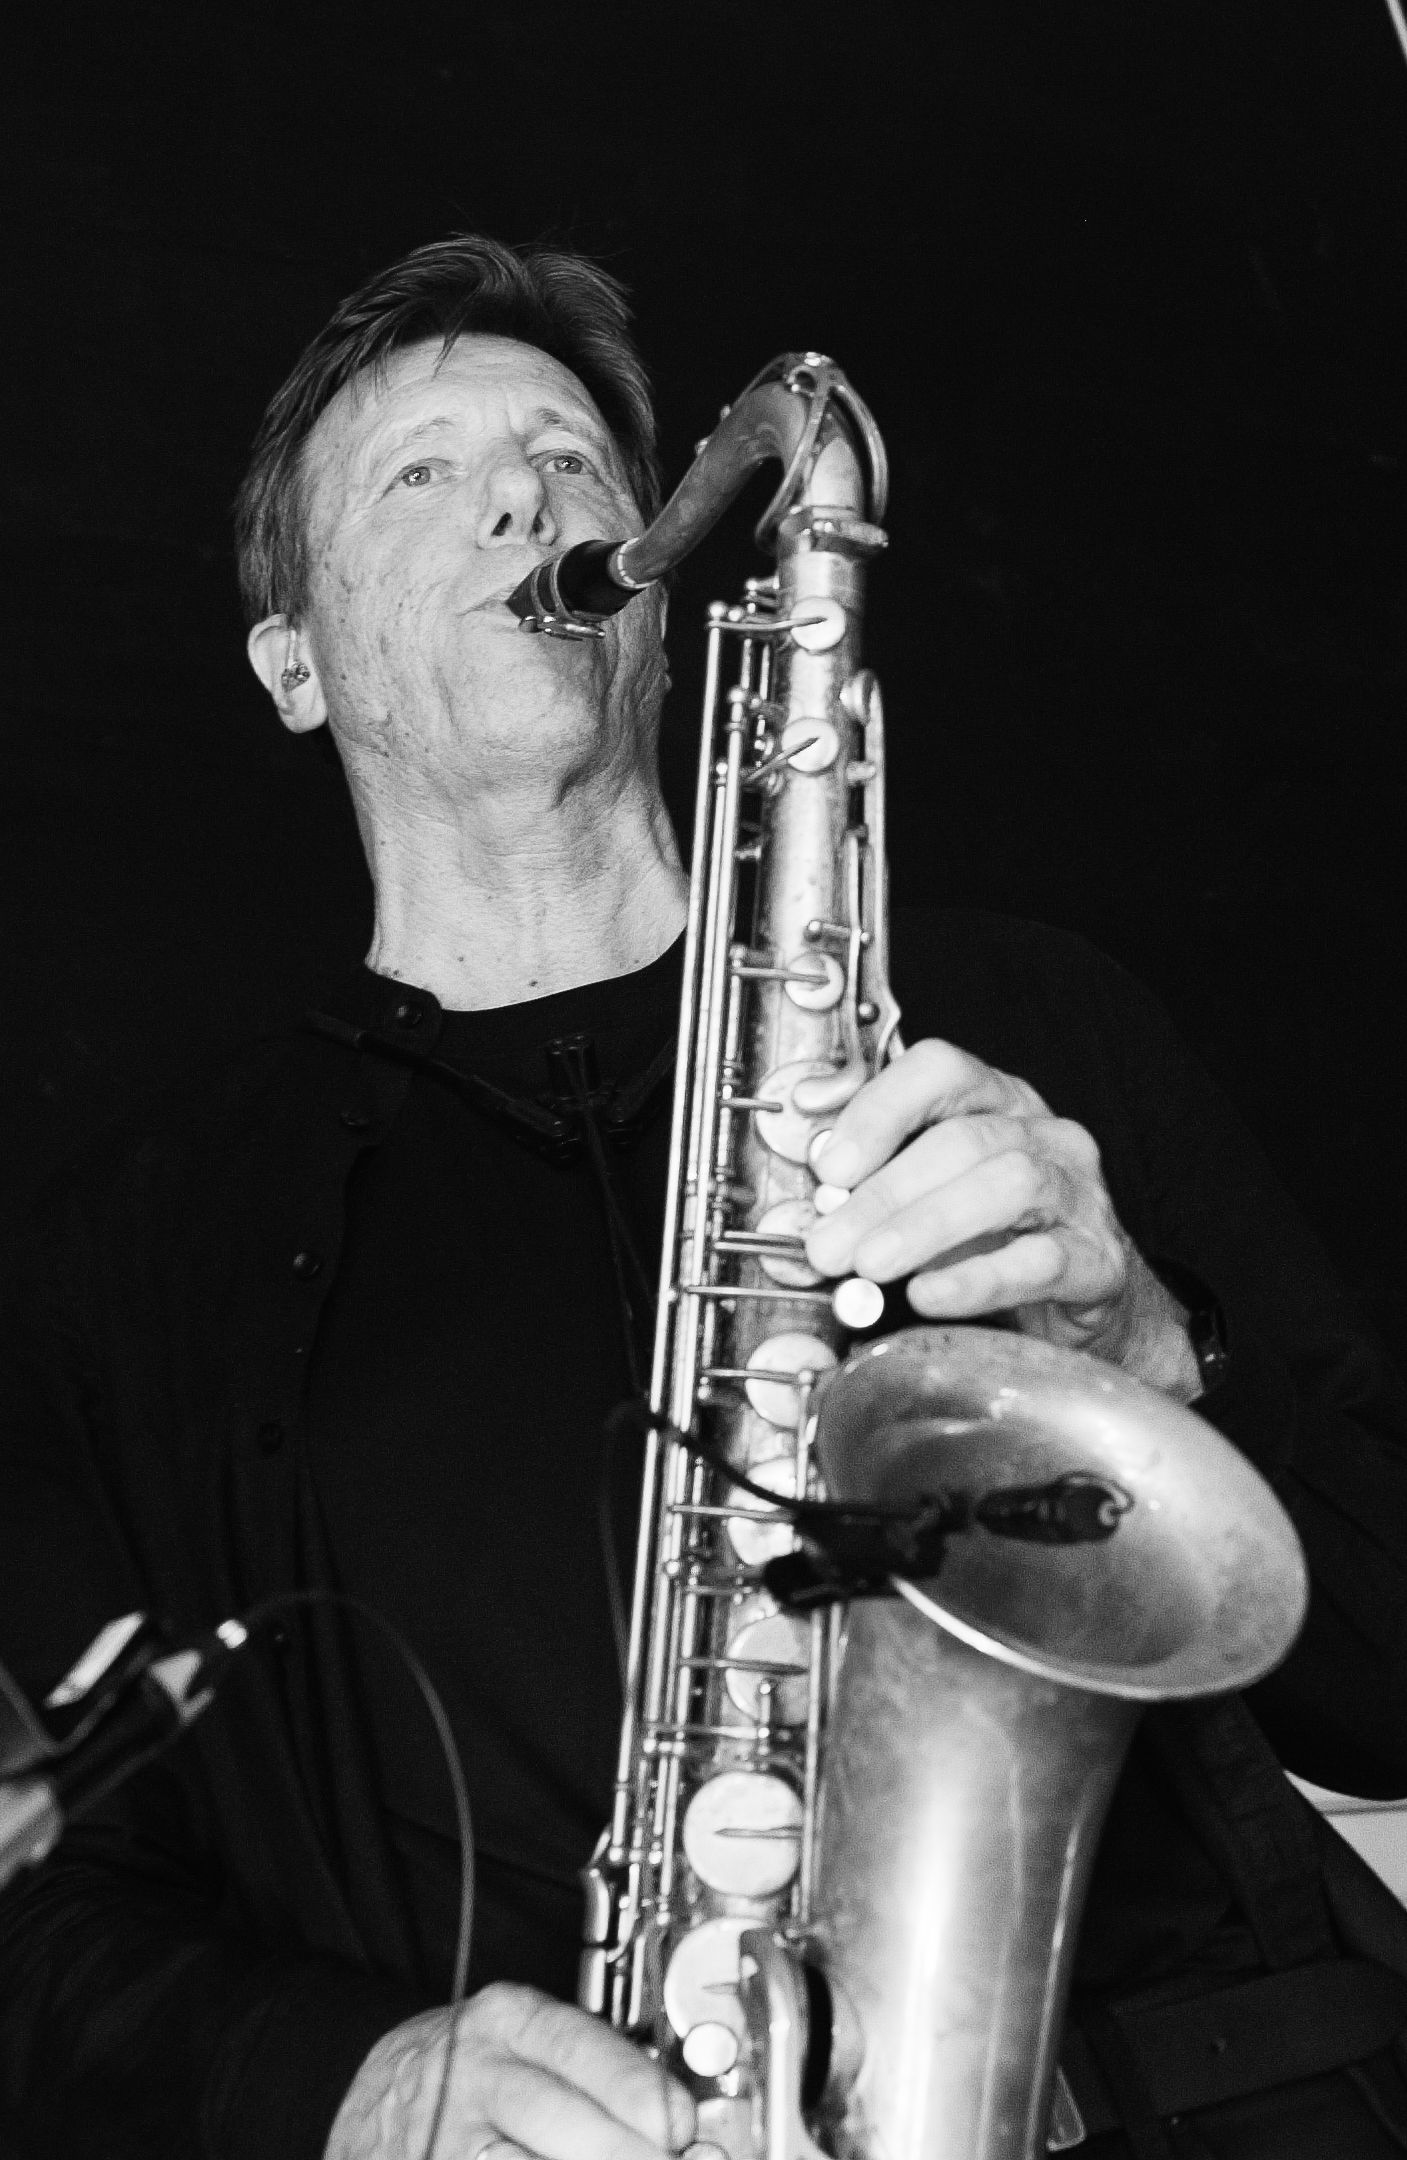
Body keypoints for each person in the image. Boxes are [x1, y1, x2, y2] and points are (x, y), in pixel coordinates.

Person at [2, 234, 1407, 2160]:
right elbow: (37, 1914)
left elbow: (1391, 1691)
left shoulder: (1022, 1025)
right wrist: (352, 2075)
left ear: (667, 608)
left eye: (576, 459)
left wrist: (1136, 1334)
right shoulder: (126, 1261)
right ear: (292, 665)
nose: (527, 494)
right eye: (423, 476)